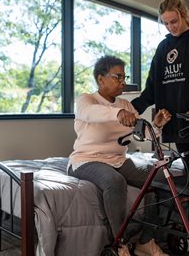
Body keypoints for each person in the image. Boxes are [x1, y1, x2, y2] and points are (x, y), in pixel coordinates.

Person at [67, 55, 171, 256]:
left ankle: (145, 240)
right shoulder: (86, 100)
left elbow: (143, 134)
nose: (123, 82)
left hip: (118, 160)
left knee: (159, 178)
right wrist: (117, 114)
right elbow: (91, 113)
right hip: (86, 160)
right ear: (100, 79)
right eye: (118, 77)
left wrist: (157, 124)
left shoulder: (126, 105)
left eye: (124, 77)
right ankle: (119, 244)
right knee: (114, 182)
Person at [131, 0, 189, 175]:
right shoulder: (162, 48)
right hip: (174, 123)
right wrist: (129, 109)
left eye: (174, 21)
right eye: (166, 23)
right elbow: (151, 89)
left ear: (184, 14)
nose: (170, 27)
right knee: (188, 175)